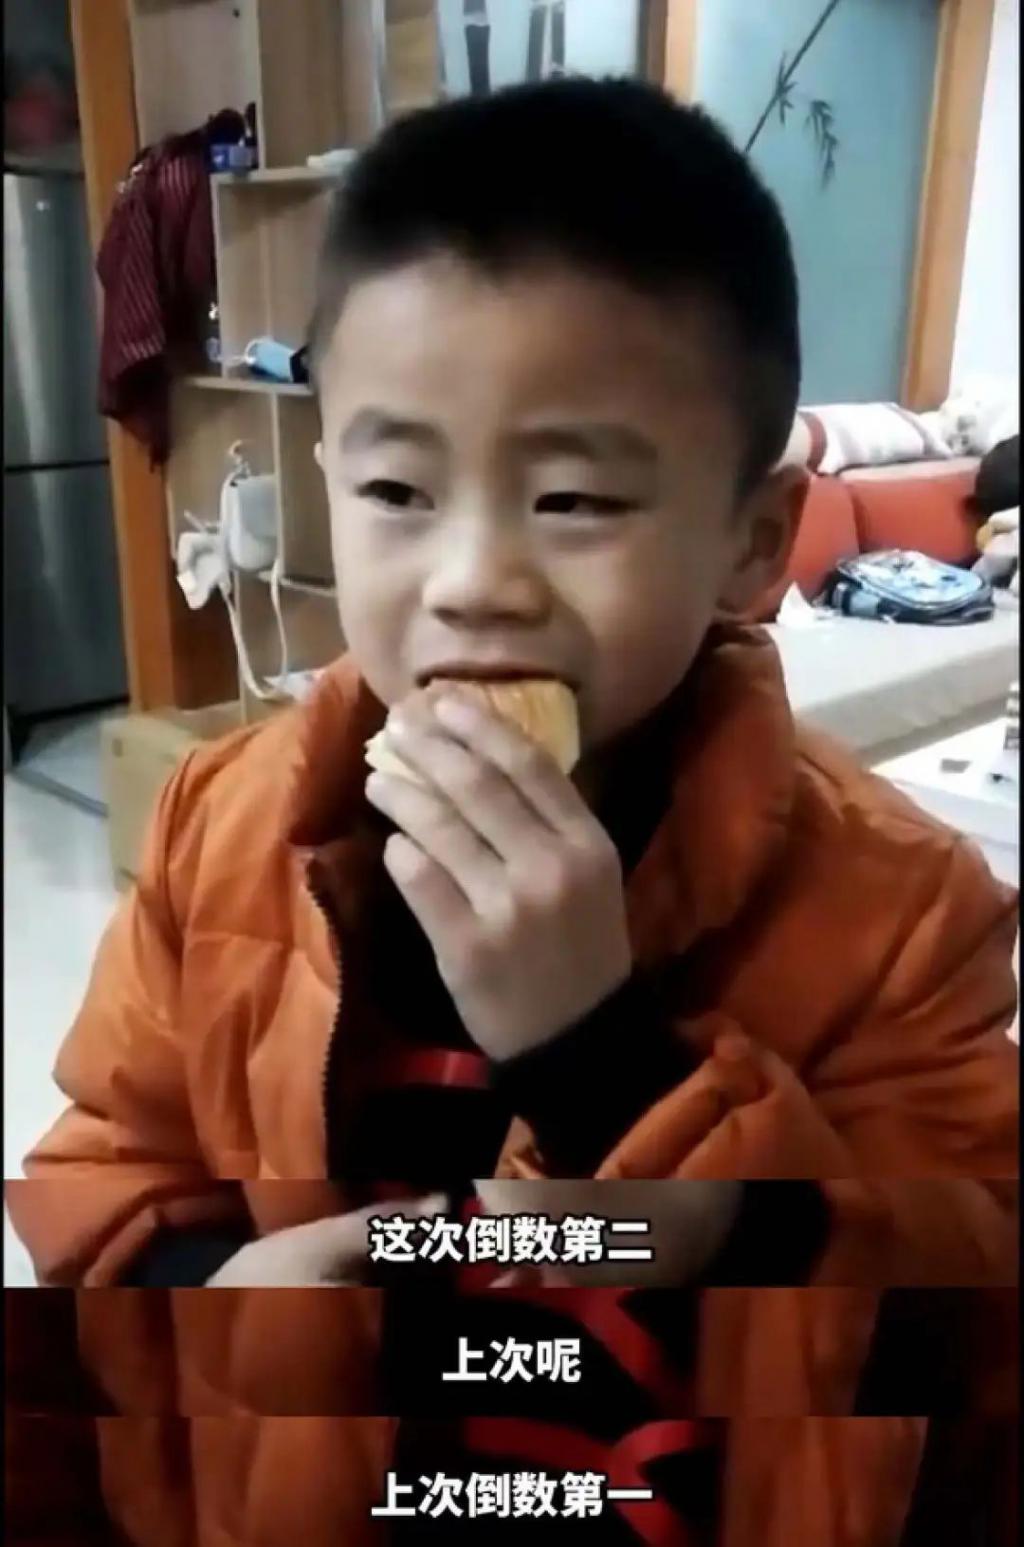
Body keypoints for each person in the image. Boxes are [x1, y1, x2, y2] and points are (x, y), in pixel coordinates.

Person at [7, 79, 1018, 1547]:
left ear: (753, 541)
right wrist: (205, 1292)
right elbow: (107, 1172)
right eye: (397, 488)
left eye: (573, 503)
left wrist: (597, 1055)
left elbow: (958, 1327)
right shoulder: (219, 832)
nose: (472, 581)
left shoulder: (901, 911)